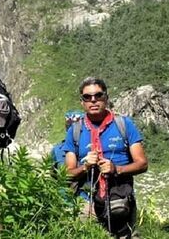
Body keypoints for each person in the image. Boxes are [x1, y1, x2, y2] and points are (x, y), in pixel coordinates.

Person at [62, 77, 148, 239]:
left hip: (120, 199)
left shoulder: (124, 124)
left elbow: (142, 164)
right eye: (87, 97)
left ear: (106, 98)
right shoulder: (75, 131)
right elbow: (67, 173)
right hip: (87, 204)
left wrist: (117, 169)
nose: (93, 100)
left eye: (98, 95)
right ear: (82, 102)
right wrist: (85, 167)